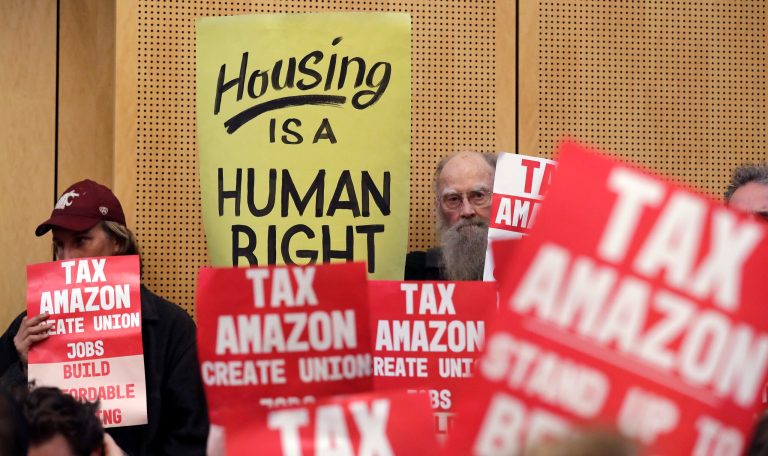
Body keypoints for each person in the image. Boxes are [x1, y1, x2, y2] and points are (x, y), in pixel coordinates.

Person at [0, 179, 208, 455]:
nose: (66, 259)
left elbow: (192, 439)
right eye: (59, 245)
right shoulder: (29, 327)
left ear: (118, 243)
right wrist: (24, 370)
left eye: (81, 241)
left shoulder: (172, 329)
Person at [405, 151, 497, 280]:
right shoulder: (413, 274)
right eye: (453, 199)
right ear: (439, 206)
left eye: (478, 196)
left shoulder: (528, 277)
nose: (467, 211)